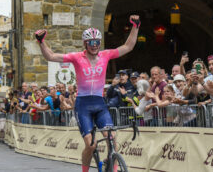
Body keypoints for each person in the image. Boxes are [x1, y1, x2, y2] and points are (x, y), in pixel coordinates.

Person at [35, 14, 140, 172]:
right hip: (83, 105)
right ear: (85, 43)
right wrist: (41, 42)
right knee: (91, 145)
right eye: (90, 42)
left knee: (112, 138)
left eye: (97, 42)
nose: (94, 45)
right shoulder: (77, 57)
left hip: (99, 103)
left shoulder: (105, 55)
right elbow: (51, 56)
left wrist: (135, 27)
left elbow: (128, 46)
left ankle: (114, 167)